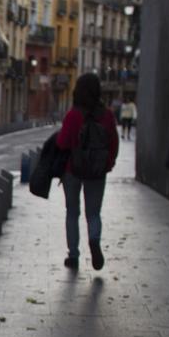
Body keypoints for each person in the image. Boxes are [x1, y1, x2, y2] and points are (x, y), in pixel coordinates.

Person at [55, 73, 119, 271]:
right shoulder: (107, 115)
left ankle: (73, 255)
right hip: (97, 172)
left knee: (72, 213)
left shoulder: (73, 115)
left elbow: (62, 143)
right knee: (93, 213)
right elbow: (113, 143)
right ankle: (94, 240)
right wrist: (108, 163)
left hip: (72, 170)